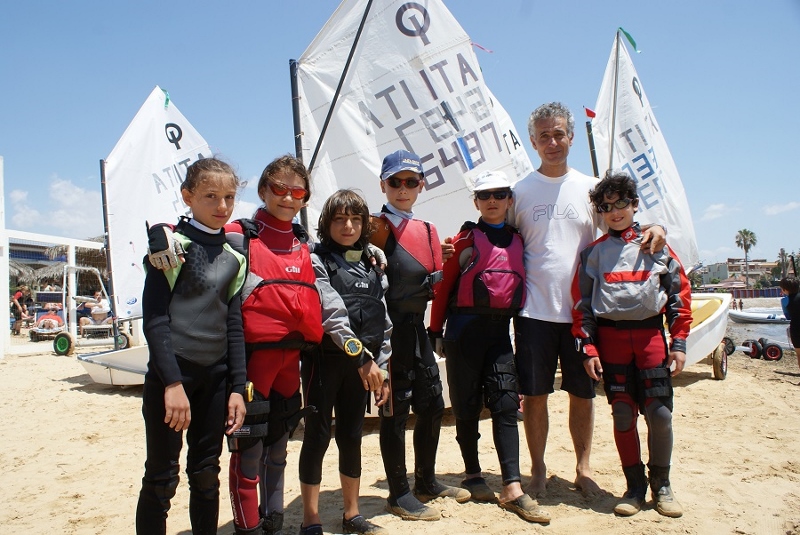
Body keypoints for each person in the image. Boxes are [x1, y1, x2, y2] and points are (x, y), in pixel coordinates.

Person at [510, 102, 666, 499]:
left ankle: (583, 468)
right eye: (544, 135)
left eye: (559, 133)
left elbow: (621, 224)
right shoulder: (519, 191)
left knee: (583, 394)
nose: (552, 141)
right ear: (533, 141)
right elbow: (498, 238)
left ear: (572, 137)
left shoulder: (591, 188)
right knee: (535, 395)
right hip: (533, 311)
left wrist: (656, 225)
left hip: (586, 315)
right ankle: (539, 469)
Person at [428, 170, 549, 524]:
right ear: (476, 202)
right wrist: (435, 330)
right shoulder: (464, 240)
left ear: (510, 200)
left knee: (506, 404)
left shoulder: (519, 239)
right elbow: (445, 286)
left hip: (499, 334)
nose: (492, 200)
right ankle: (473, 474)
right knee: (465, 407)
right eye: (485, 195)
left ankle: (512, 485)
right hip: (463, 332)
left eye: (499, 194)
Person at [135, 157, 248, 534]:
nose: (222, 206)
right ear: (187, 196)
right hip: (174, 376)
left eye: (229, 197)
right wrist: (171, 383)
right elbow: (155, 319)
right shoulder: (171, 246)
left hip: (216, 380)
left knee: (206, 474)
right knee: (162, 478)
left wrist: (236, 388)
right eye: (210, 196)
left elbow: (234, 325)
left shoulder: (235, 256)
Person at [571, 171, 691, 518]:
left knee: (661, 414)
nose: (615, 211)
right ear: (600, 212)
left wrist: (679, 342)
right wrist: (588, 348)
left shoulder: (656, 244)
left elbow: (679, 295)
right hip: (611, 342)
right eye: (606, 206)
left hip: (651, 338)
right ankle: (635, 487)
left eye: (621, 203)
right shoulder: (592, 254)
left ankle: (663, 486)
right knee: (623, 413)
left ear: (635, 205)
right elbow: (582, 306)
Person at [370, 149, 470, 521]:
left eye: (411, 181)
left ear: (421, 185)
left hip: (418, 331)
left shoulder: (429, 230)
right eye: (395, 181)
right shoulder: (373, 227)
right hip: (388, 331)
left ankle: (426, 481)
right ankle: (398, 494)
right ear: (383, 184)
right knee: (394, 413)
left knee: (431, 405)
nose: (403, 188)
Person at [226, 155, 324, 535]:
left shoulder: (303, 242)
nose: (287, 197)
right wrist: (164, 235)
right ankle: (247, 528)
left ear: (304, 198)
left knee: (280, 448)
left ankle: (274, 521)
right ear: (264, 190)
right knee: (249, 451)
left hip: (291, 361)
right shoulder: (239, 234)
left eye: (296, 191)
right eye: (279, 189)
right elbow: (196, 234)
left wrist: (374, 252)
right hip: (254, 361)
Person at [299, 189, 392, 535]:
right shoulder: (315, 258)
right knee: (317, 437)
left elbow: (381, 318)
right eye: (340, 219)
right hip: (325, 362)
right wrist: (363, 360)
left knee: (352, 437)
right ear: (327, 223)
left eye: (356, 219)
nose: (349, 226)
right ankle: (311, 518)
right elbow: (332, 315)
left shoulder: (372, 262)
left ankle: (351, 515)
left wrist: (382, 366)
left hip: (363, 366)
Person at [779, 277, 800, 369]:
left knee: (799, 355)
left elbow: (788, 316)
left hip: (796, 328)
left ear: (784, 289)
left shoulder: (784, 301)